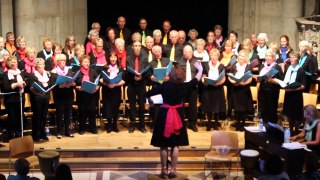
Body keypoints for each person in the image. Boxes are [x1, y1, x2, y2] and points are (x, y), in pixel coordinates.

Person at [145, 61, 203, 179]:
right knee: (175, 144)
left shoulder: (165, 86)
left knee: (163, 145)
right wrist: (200, 70)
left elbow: (147, 93)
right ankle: (173, 170)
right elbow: (196, 80)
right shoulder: (184, 86)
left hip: (164, 114)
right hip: (178, 114)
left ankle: (164, 170)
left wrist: (150, 101)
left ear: (171, 75)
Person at [126, 41, 150, 133]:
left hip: (141, 84)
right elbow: (127, 72)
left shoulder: (145, 57)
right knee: (132, 105)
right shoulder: (128, 58)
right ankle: (132, 124)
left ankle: (142, 125)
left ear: (141, 47)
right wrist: (133, 77)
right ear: (132, 47)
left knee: (141, 105)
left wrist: (141, 77)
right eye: (135, 46)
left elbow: (147, 72)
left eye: (139, 46)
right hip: (132, 84)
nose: (137, 47)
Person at [50, 54, 75, 139]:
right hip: (59, 95)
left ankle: (68, 131)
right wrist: (61, 86)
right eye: (60, 60)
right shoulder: (54, 72)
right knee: (60, 114)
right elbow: (53, 84)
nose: (63, 62)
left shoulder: (69, 70)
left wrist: (72, 83)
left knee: (68, 114)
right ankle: (59, 132)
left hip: (69, 94)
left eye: (64, 60)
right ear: (57, 62)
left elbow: (72, 79)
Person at [280, 51, 305, 134]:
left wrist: (292, 89)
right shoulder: (289, 68)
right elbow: (286, 80)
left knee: (296, 114)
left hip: (296, 95)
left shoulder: (301, 70)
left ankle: (296, 131)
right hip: (288, 94)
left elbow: (303, 86)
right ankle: (291, 130)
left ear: (298, 59)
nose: (292, 59)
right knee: (290, 114)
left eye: (294, 57)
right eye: (291, 57)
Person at [177, 45, 201, 132]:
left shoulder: (196, 62)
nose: (187, 54)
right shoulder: (179, 62)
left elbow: (200, 73)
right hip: (182, 87)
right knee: (180, 105)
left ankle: (192, 123)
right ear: (183, 53)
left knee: (193, 106)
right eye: (186, 52)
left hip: (193, 87)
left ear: (192, 52)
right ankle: (181, 124)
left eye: (189, 52)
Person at [100, 51, 125, 133]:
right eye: (111, 57)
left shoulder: (120, 68)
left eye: (115, 57)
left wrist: (115, 85)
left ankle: (115, 125)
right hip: (107, 90)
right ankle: (109, 125)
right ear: (108, 58)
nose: (113, 59)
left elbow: (124, 81)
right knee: (108, 107)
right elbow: (101, 79)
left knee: (115, 107)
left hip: (116, 90)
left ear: (117, 58)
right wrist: (107, 83)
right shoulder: (105, 67)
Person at [2, 56, 27, 139]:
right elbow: (5, 88)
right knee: (12, 118)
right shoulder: (5, 75)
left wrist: (24, 84)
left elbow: (24, 85)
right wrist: (16, 84)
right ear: (9, 64)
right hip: (11, 99)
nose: (15, 64)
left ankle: (18, 134)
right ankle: (10, 134)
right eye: (13, 62)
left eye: (16, 62)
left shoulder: (20, 73)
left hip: (20, 98)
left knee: (20, 117)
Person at [257, 49, 283, 124]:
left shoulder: (277, 67)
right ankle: (264, 125)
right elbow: (259, 78)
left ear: (273, 58)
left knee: (271, 110)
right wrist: (258, 78)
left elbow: (281, 81)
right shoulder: (262, 66)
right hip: (262, 90)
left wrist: (272, 81)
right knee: (263, 109)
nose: (268, 58)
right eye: (267, 56)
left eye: (270, 56)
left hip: (272, 91)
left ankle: (272, 127)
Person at [228, 50, 253, 131]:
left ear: (245, 57)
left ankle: (242, 124)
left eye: (243, 56)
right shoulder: (234, 65)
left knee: (243, 108)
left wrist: (243, 83)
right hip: (235, 89)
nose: (241, 57)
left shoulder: (248, 66)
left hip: (244, 89)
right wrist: (232, 81)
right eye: (240, 55)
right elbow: (230, 75)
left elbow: (250, 78)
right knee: (237, 108)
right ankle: (237, 123)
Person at [75, 55, 99, 135]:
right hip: (82, 95)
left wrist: (96, 88)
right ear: (81, 63)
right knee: (82, 112)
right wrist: (78, 88)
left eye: (88, 62)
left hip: (92, 95)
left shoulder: (93, 71)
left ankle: (93, 128)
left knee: (92, 111)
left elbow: (98, 82)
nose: (87, 63)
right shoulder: (78, 72)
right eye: (85, 62)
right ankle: (82, 129)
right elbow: (74, 84)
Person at [202, 49, 226, 130]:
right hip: (209, 88)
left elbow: (223, 78)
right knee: (209, 107)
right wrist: (204, 80)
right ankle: (209, 123)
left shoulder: (221, 66)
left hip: (218, 89)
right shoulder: (206, 65)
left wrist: (220, 83)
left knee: (217, 107)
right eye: (212, 55)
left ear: (218, 57)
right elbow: (204, 75)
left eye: (215, 55)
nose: (213, 57)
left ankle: (216, 124)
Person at [29, 58, 52, 142]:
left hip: (45, 98)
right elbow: (31, 88)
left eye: (43, 64)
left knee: (43, 116)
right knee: (37, 117)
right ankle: (36, 135)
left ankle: (43, 133)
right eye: (40, 64)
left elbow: (49, 85)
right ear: (36, 66)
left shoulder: (48, 75)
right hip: (37, 98)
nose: (42, 66)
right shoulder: (32, 75)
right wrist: (38, 93)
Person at [149, 45, 170, 132]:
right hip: (156, 86)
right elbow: (148, 76)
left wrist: (169, 77)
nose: (158, 53)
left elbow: (172, 73)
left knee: (166, 106)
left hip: (166, 86)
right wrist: (151, 77)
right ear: (153, 53)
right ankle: (156, 125)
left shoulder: (167, 61)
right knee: (156, 107)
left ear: (161, 51)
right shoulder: (151, 63)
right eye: (156, 52)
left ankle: (166, 126)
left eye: (159, 51)